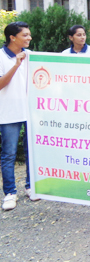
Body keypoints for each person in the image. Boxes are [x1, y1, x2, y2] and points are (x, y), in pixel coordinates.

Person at [1, 22, 37, 210]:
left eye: (29, 34)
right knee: (9, 154)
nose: (29, 38)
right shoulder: (1, 56)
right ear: (12, 37)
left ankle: (31, 187)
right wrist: (16, 64)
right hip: (8, 113)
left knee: (32, 151)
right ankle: (10, 193)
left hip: (30, 111)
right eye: (25, 35)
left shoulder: (31, 55)